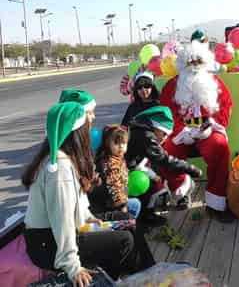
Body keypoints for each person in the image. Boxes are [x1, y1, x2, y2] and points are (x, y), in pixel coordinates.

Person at [22, 102, 154, 285]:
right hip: (47, 243)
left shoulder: (66, 158)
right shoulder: (60, 169)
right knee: (124, 240)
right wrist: (72, 266)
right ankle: (106, 280)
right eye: (87, 124)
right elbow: (62, 220)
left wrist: (98, 223)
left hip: (67, 230)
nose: (91, 127)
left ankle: (151, 274)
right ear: (77, 133)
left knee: (127, 222)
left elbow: (79, 211)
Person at [159, 40, 234, 222]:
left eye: (198, 62)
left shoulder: (214, 82)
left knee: (219, 146)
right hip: (181, 133)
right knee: (165, 151)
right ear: (183, 64)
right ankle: (182, 188)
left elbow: (225, 106)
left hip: (208, 129)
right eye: (190, 62)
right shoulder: (171, 86)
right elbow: (166, 113)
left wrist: (211, 126)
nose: (194, 66)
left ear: (205, 63)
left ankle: (216, 202)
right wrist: (181, 132)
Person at [125, 106, 202, 223]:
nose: (165, 138)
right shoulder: (146, 136)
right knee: (150, 185)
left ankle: (146, 213)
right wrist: (190, 168)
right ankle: (143, 217)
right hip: (127, 172)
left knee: (154, 181)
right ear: (157, 127)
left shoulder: (140, 129)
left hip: (133, 165)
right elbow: (164, 160)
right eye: (164, 133)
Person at [88, 125, 141, 220]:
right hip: (107, 204)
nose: (121, 146)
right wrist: (122, 206)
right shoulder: (111, 163)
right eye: (117, 143)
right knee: (134, 205)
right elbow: (114, 186)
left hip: (110, 199)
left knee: (135, 203)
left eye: (123, 143)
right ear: (108, 143)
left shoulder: (117, 158)